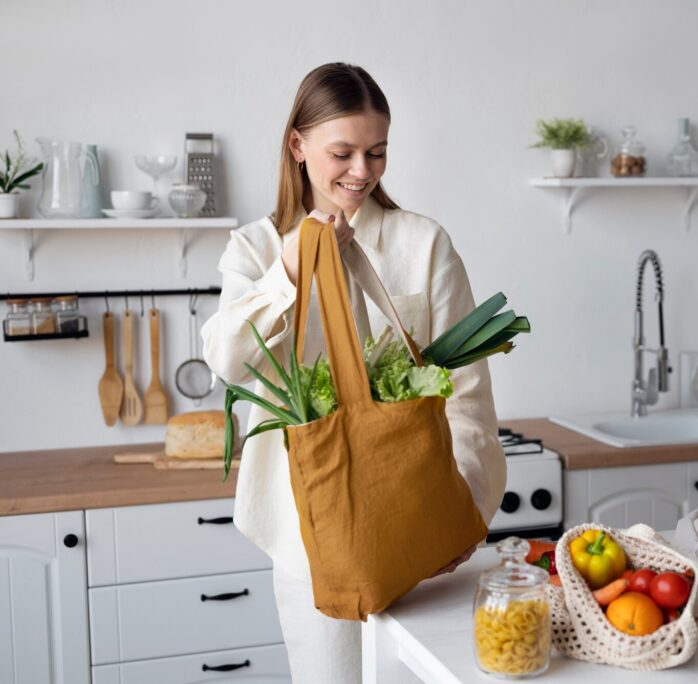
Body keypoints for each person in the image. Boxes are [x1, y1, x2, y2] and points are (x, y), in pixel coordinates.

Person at [201, 63, 506, 684]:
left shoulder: (423, 244)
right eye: (342, 153)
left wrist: (468, 510)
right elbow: (227, 359)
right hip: (310, 542)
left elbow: (468, 395)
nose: (362, 171)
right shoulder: (255, 250)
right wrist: (290, 271)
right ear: (298, 146)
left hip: (421, 529)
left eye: (377, 152)